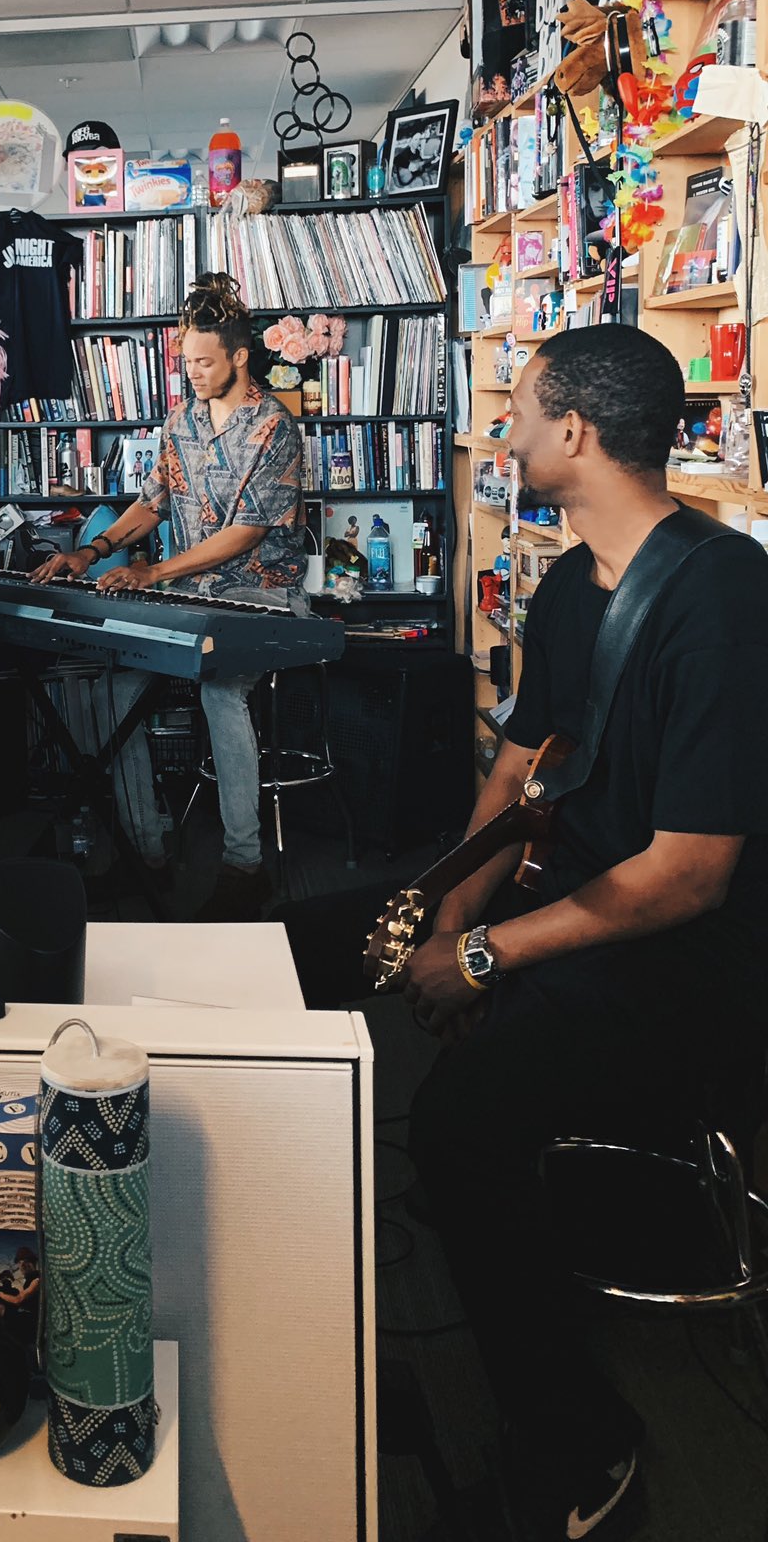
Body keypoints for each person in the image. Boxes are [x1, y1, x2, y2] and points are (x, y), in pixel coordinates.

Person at [361, 327, 768, 1542]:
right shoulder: (560, 580)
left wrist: (485, 958)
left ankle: (584, 1442)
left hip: (689, 965)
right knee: (300, 942)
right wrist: (450, 908)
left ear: (576, 434)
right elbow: (526, 766)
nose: (505, 430)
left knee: (456, 1119)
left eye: (522, 411)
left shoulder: (729, 597)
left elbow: (688, 878)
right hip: (570, 903)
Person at [31, 274, 307, 914]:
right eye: (187, 362)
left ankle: (246, 863)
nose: (194, 374)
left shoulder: (273, 428)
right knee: (115, 688)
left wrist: (153, 574)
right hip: (193, 595)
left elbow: (246, 534)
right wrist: (92, 551)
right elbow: (155, 502)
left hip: (261, 596)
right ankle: (145, 850)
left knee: (220, 691)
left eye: (205, 362)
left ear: (240, 356)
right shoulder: (180, 421)